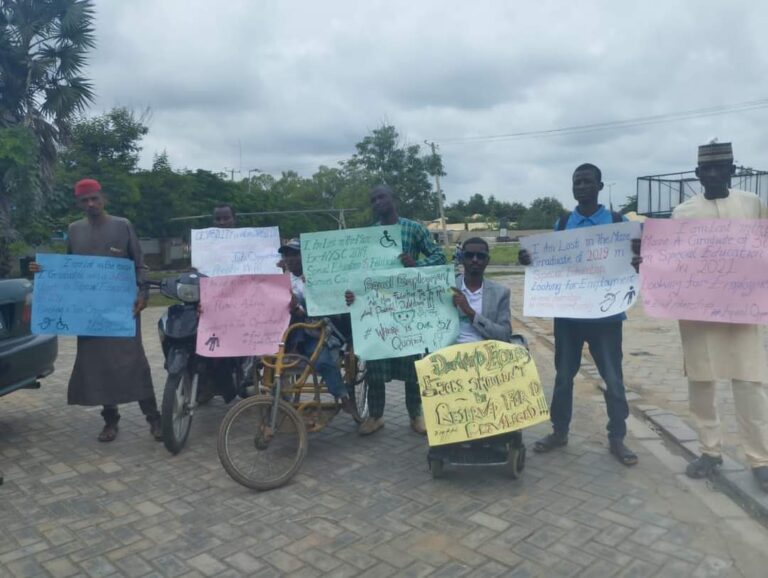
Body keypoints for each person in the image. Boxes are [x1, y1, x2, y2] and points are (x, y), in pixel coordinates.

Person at [636, 142, 768, 491]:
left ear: (732, 170)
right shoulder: (683, 213)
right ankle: (710, 452)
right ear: (697, 174)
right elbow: (670, 261)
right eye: (706, 170)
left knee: (750, 385)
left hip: (743, 313)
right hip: (698, 316)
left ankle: (760, 459)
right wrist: (648, 265)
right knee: (702, 383)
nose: (713, 174)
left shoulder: (752, 205)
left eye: (721, 168)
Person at [519, 164, 638, 466]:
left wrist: (639, 257)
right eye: (576, 182)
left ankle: (617, 437)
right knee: (562, 378)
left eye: (587, 182)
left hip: (606, 318)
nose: (581, 186)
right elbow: (549, 266)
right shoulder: (562, 224)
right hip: (569, 318)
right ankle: (559, 432)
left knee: (614, 379)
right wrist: (529, 260)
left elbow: (635, 263)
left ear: (599, 186)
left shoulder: (617, 222)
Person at [30, 179, 161, 442]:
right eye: (84, 200)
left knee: (134, 364)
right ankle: (110, 420)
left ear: (103, 199)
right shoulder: (74, 230)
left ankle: (154, 418)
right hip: (88, 315)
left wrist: (143, 293)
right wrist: (42, 270)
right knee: (98, 366)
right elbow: (69, 269)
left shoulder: (122, 225)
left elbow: (140, 264)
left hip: (122, 312)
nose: (90, 204)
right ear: (79, 203)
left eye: (94, 199)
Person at [345, 184, 447, 436]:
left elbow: (439, 257)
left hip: (410, 308)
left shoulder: (414, 229)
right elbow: (357, 271)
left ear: (394, 199)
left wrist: (416, 264)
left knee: (414, 363)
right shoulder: (368, 234)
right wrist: (353, 294)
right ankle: (377, 416)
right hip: (378, 308)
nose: (377, 202)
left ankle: (416, 414)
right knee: (376, 363)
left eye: (381, 197)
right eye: (373, 199)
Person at [279, 238, 358, 418]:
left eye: (294, 254)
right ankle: (279, 400)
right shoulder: (282, 279)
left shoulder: (322, 276)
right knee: (270, 364)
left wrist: (310, 291)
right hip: (287, 333)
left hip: (317, 330)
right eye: (287, 255)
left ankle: (343, 396)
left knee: (322, 360)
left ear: (305, 257)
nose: (290, 259)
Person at [452, 237, 512, 343]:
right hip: (450, 353)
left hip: (486, 353)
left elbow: (505, 335)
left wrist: (470, 312)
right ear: (461, 258)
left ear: (487, 260)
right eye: (469, 255)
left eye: (480, 256)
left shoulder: (500, 293)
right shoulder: (449, 287)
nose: (475, 260)